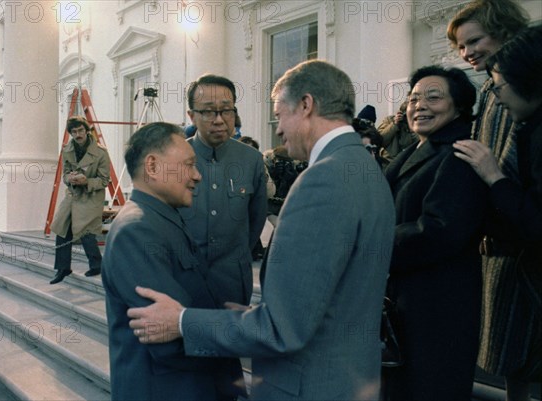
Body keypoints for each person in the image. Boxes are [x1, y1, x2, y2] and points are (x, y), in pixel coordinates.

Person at [128, 60, 396, 400]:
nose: (278, 129)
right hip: (347, 378)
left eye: (280, 114)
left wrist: (180, 321)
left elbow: (281, 329)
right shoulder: (364, 168)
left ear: (306, 105)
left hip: (309, 385)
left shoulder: (321, 181)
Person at [101, 122, 245, 401]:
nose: (197, 176)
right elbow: (169, 342)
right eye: (189, 164)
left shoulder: (160, 217)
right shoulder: (137, 230)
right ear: (152, 167)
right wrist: (243, 331)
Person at [382, 66, 488, 401]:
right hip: (407, 302)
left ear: (459, 106)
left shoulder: (458, 153)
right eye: (413, 98)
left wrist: (373, 241)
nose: (419, 106)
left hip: (439, 304)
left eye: (433, 97)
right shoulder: (416, 149)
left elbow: (440, 231)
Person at [447, 1, 532, 397]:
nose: (467, 54)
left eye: (474, 41)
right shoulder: (489, 89)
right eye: (461, 47)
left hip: (520, 235)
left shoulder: (519, 85)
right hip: (501, 236)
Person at [180, 73, 267, 306]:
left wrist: (234, 257)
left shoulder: (252, 160)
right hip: (184, 280)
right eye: (208, 111)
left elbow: (256, 219)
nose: (219, 119)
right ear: (192, 116)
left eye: (226, 110)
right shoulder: (175, 159)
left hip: (232, 282)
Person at [49, 116, 109, 284]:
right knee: (62, 228)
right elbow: (65, 174)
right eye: (74, 132)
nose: (78, 134)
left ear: (86, 130)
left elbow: (105, 180)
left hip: (91, 196)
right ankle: (63, 268)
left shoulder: (100, 152)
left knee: (86, 230)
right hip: (73, 195)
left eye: (81, 130)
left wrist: (86, 181)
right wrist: (70, 178)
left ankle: (97, 264)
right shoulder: (67, 150)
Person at [376, 100, 416, 168]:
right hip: (388, 162)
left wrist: (412, 128)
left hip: (404, 164)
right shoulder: (389, 120)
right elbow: (380, 140)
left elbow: (411, 144)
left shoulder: (413, 125)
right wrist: (395, 124)